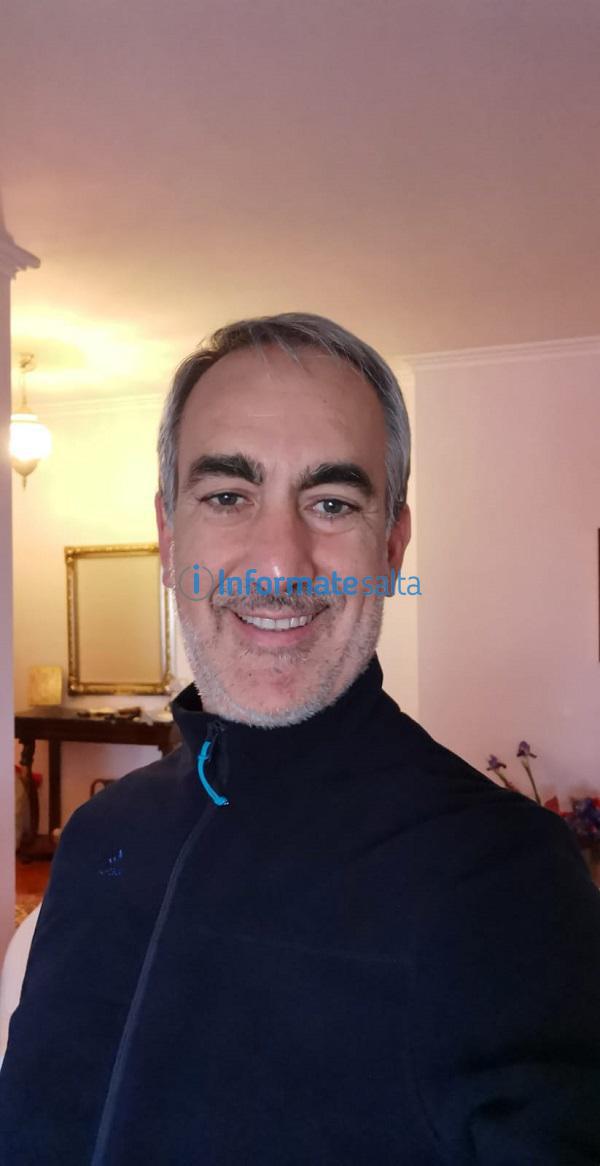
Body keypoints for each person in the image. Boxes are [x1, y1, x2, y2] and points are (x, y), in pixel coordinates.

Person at [1, 313, 599, 1165]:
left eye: (331, 503)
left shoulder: (505, 877)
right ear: (169, 536)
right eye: (227, 496)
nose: (280, 562)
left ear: (391, 547)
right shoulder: (101, 835)